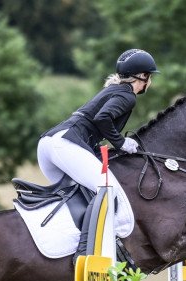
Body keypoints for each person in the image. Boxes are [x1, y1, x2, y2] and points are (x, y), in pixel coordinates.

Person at [38, 49, 159, 263]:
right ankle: (85, 254)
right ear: (143, 76)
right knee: (108, 192)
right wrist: (121, 142)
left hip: (49, 145)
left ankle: (68, 244)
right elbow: (103, 118)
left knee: (80, 197)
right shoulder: (127, 95)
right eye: (150, 76)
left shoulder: (114, 90)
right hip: (66, 144)